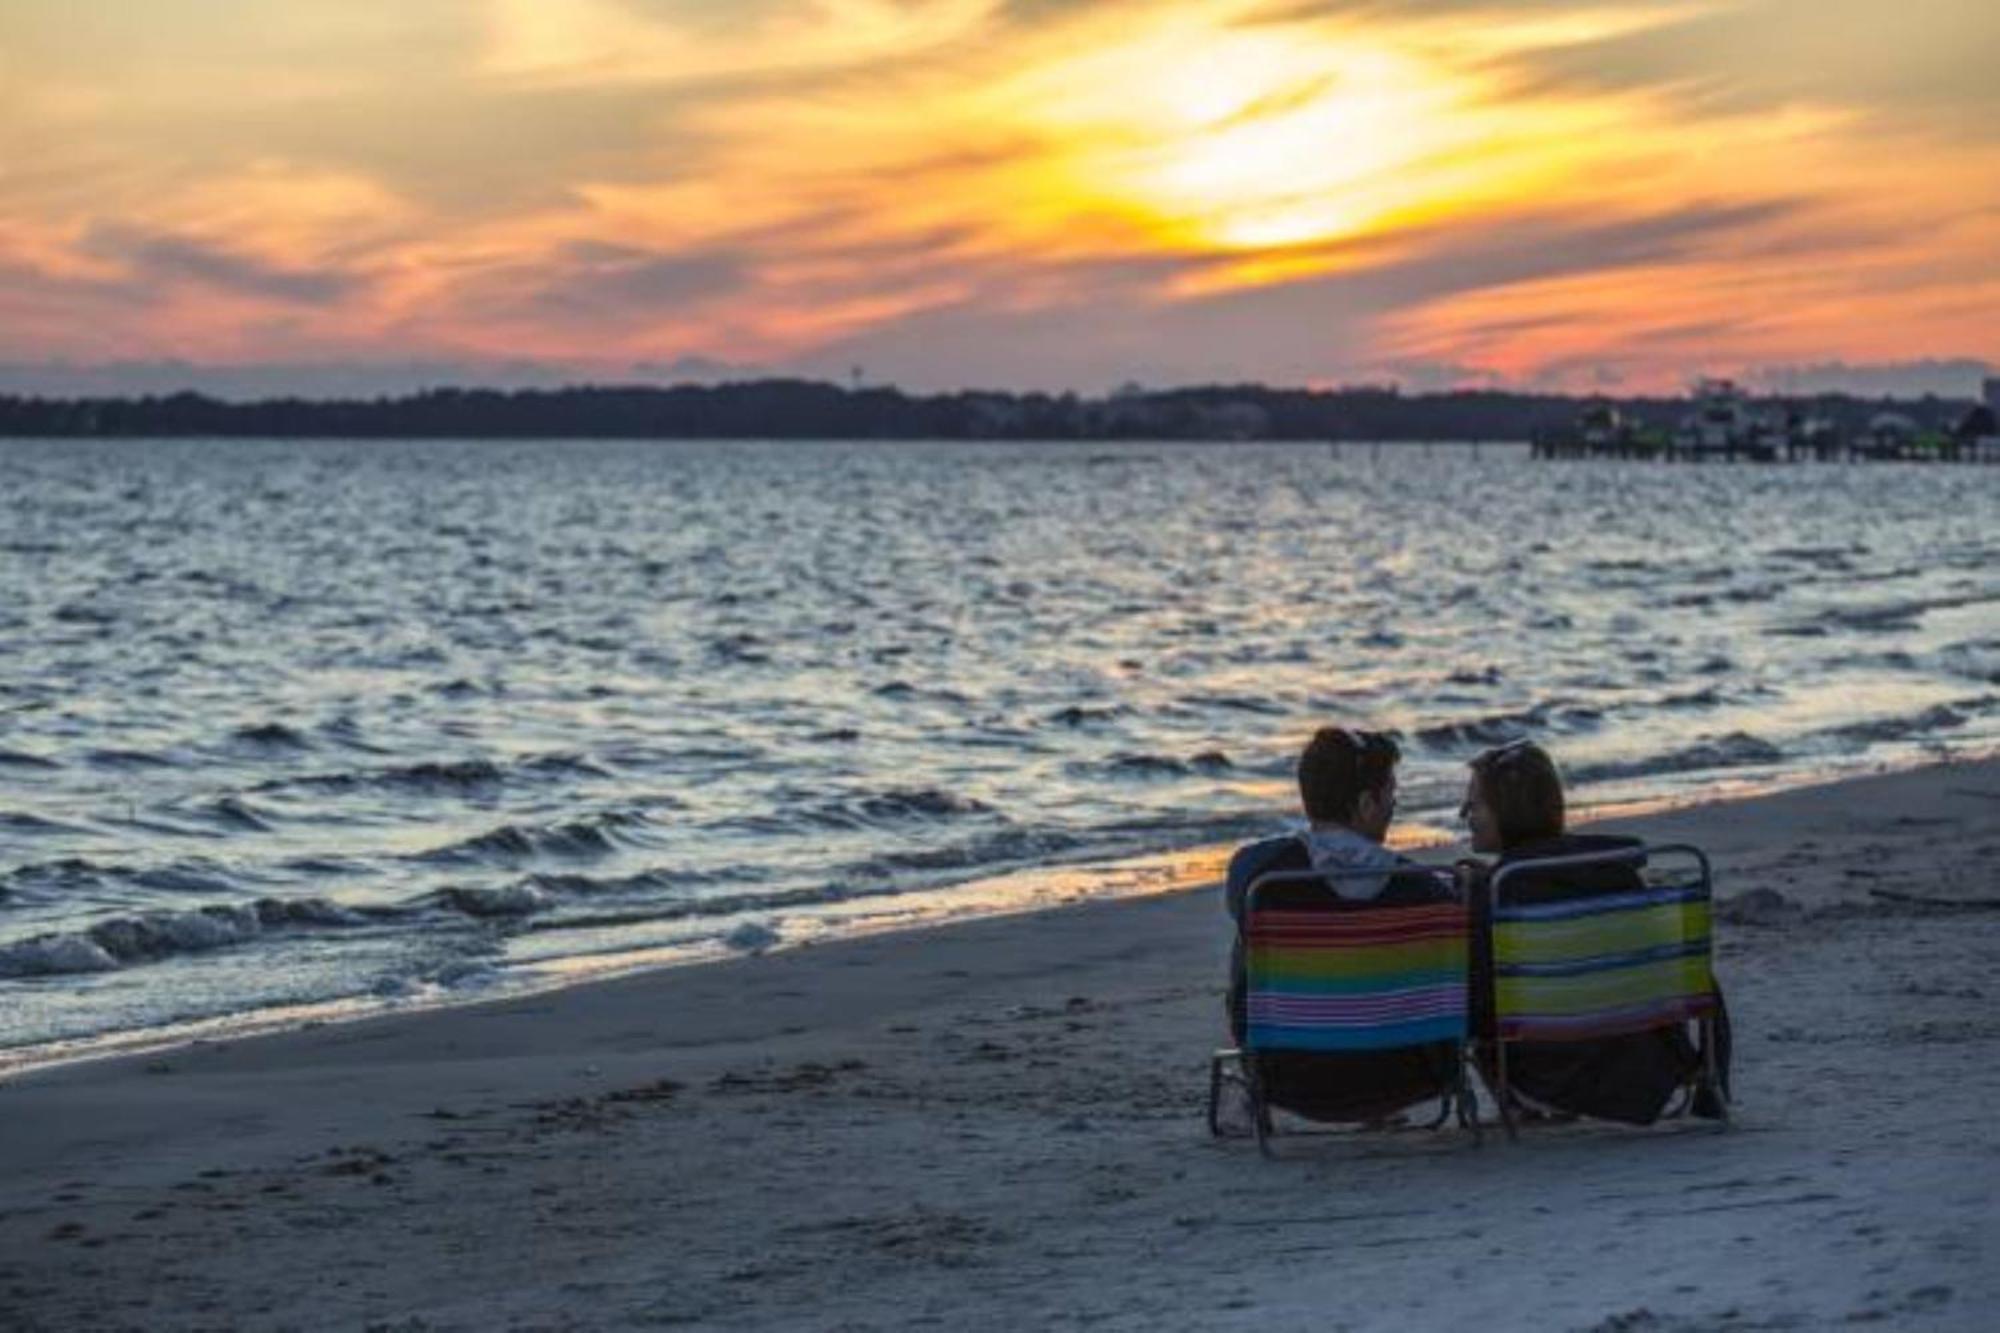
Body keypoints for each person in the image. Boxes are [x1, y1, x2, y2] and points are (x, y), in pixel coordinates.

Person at [1460, 739, 1729, 1123]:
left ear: (1507, 810)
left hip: (1543, 1077)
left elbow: (1478, 1006)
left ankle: (1521, 1109)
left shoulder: (1496, 897)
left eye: (1475, 805)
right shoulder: (1617, 876)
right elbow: (1677, 979)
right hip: (1647, 1070)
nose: (1465, 815)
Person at [1223, 726, 1460, 1121]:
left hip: (1289, 1076)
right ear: (1367, 804)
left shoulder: (1261, 874)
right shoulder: (1419, 885)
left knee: (1255, 931)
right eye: (1391, 795)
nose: (1393, 805)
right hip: (1410, 1073)